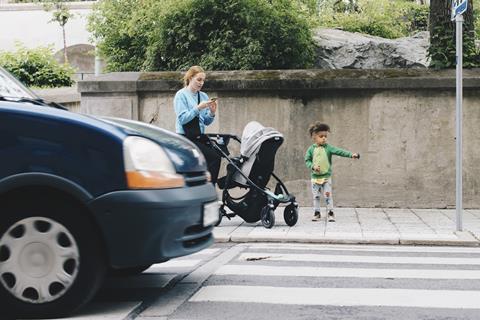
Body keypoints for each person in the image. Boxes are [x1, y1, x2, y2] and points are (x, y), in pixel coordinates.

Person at [174, 65, 221, 184]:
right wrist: (198, 108)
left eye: (203, 80)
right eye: (198, 79)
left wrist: (212, 112)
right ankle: (209, 188)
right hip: (185, 137)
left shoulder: (203, 96)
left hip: (198, 136)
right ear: (190, 78)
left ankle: (205, 186)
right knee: (214, 158)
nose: (201, 83)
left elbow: (206, 121)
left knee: (218, 154)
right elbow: (183, 119)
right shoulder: (181, 95)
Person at [304, 122, 359, 222]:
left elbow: (339, 151)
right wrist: (312, 166)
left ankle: (330, 213)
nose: (324, 138)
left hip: (326, 177)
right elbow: (307, 160)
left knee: (328, 195)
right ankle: (317, 213)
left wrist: (351, 155)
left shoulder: (328, 148)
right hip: (315, 178)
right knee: (316, 196)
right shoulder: (311, 150)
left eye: (325, 136)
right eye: (321, 136)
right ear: (314, 137)